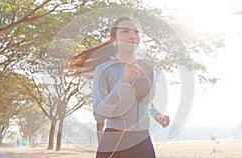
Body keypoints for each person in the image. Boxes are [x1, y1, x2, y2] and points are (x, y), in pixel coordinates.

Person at [68, 16, 170, 158]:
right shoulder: (104, 70)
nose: (132, 36)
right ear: (113, 41)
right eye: (125, 31)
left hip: (143, 141)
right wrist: (124, 81)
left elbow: (146, 102)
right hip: (114, 143)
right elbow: (99, 115)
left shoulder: (148, 68)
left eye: (136, 32)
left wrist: (158, 115)